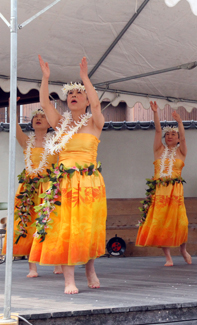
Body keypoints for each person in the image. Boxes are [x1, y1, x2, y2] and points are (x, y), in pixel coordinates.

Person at [29, 55, 107, 294]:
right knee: (66, 228)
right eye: (70, 94)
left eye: (78, 93)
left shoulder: (95, 122)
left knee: (88, 226)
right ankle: (69, 280)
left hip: (89, 182)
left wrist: (85, 79)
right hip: (63, 183)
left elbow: (96, 105)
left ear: (85, 99)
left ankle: (90, 268)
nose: (73, 96)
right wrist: (45, 78)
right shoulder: (60, 122)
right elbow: (44, 103)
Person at [2, 104, 62, 277]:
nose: (38, 118)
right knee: (28, 223)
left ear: (49, 123)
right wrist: (13, 106)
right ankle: (32, 268)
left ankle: (56, 262)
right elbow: (15, 126)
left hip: (48, 187)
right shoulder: (26, 141)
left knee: (50, 223)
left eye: (43, 116)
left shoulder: (56, 140)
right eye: (36, 116)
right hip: (29, 188)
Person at [135, 101, 191, 266]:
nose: (170, 136)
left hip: (175, 192)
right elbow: (158, 130)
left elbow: (184, 137)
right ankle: (168, 257)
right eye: (168, 135)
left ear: (178, 138)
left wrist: (180, 122)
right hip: (159, 191)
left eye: (174, 134)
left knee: (180, 222)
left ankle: (183, 250)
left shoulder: (181, 152)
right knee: (161, 223)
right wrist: (155, 113)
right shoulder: (158, 150)